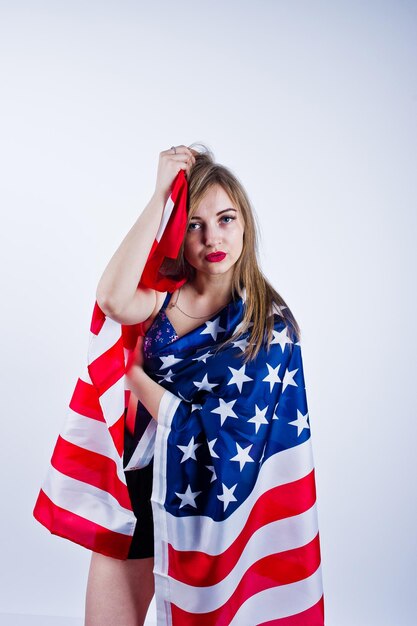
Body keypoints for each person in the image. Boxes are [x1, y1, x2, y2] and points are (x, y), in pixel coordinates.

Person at [84, 144, 324, 625]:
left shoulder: (268, 327)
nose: (212, 236)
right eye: (194, 224)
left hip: (208, 504)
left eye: (226, 219)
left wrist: (133, 375)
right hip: (140, 485)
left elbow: (230, 435)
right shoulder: (163, 296)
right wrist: (159, 196)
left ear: (245, 226)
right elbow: (111, 297)